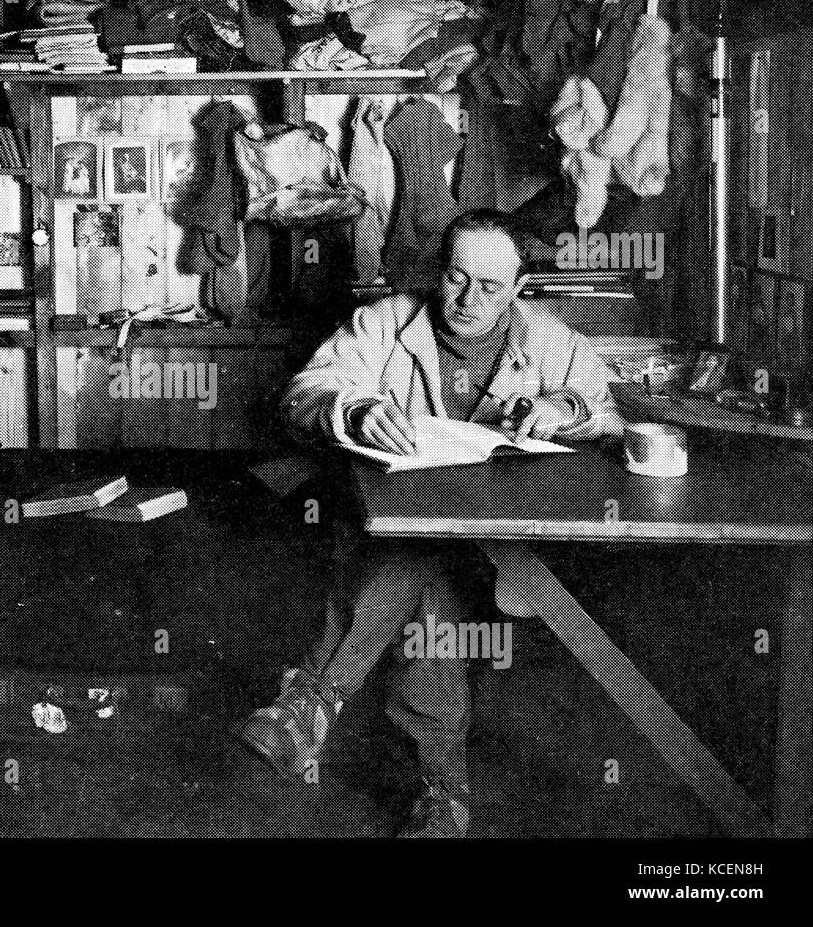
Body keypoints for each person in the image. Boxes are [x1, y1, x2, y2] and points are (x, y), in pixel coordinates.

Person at [239, 209, 624, 836]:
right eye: (456, 276)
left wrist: (565, 409)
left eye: (491, 287)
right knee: (430, 590)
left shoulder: (549, 340)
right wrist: (352, 408)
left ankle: (312, 700)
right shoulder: (384, 324)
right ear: (437, 269)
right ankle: (444, 795)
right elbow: (303, 390)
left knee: (419, 570)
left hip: (501, 545)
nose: (469, 300)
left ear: (519, 288)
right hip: (403, 537)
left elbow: (607, 405)